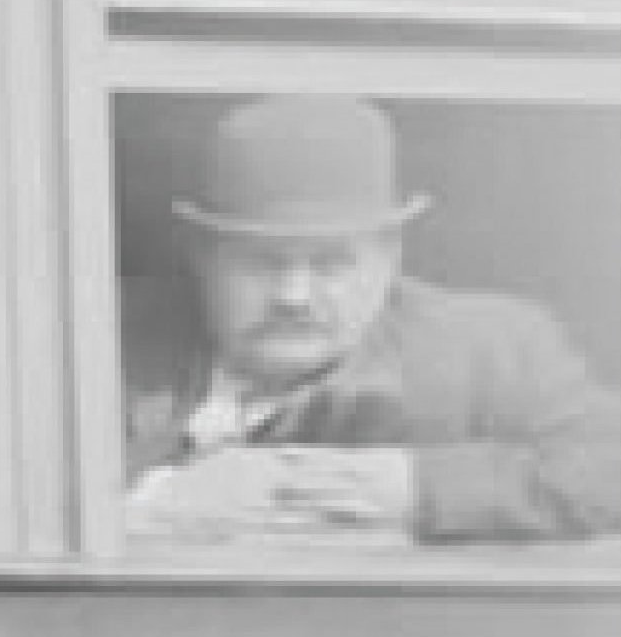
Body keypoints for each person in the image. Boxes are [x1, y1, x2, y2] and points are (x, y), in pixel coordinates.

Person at [125, 93, 621, 542]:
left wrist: (415, 488)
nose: (294, 296)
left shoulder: (487, 349)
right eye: (262, 262)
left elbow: (606, 469)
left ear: (390, 260)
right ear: (203, 258)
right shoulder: (103, 338)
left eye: (332, 263)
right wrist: (154, 503)